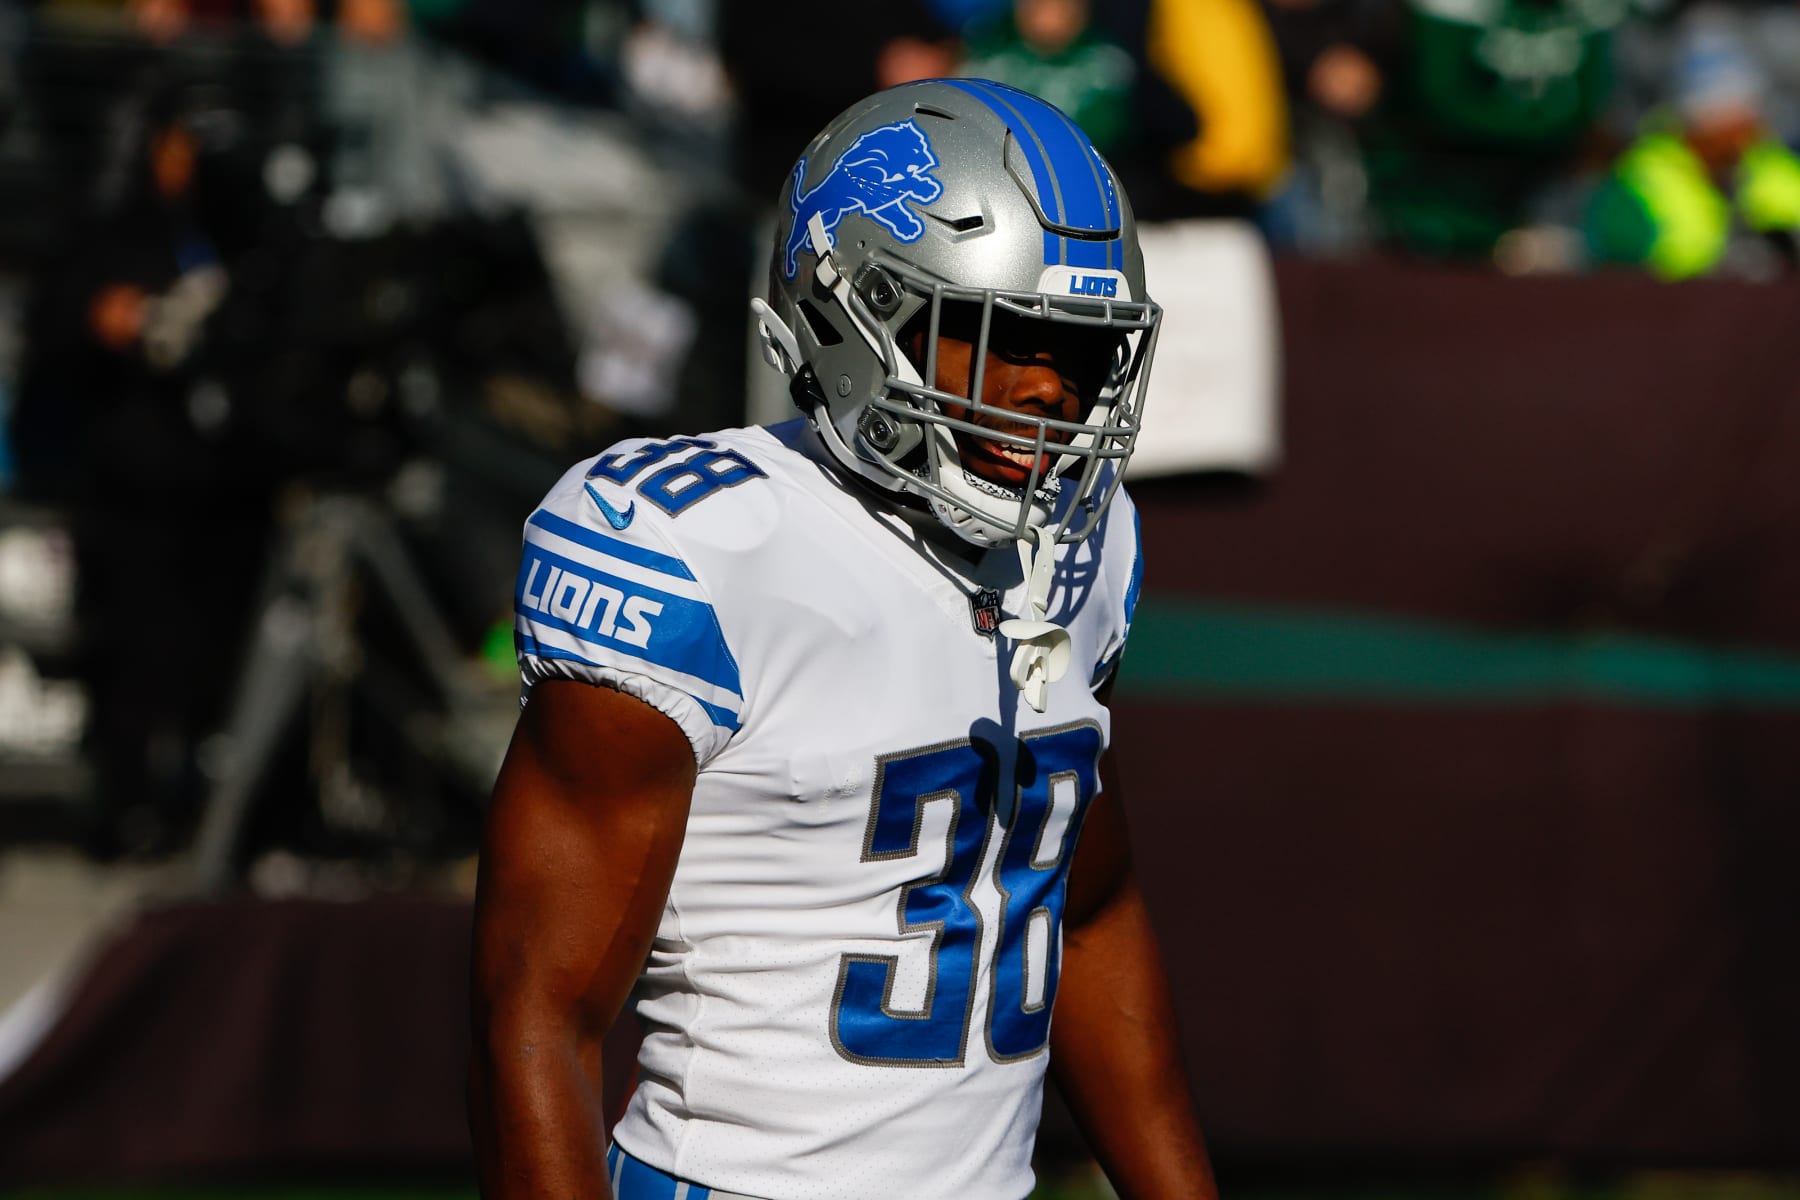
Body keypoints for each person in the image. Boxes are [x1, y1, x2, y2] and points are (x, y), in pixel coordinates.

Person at [468, 78, 1216, 1200]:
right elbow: (534, 1008)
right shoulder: (707, 550)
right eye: (1000, 340)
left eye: (1078, 354)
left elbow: (1078, 895)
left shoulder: (1085, 542)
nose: (1048, 396)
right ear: (855, 313)